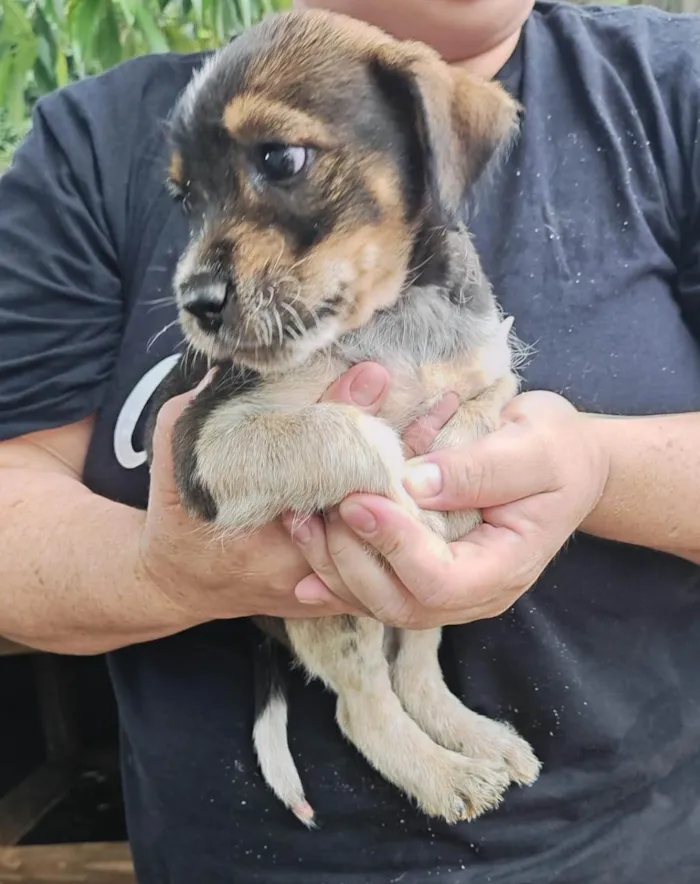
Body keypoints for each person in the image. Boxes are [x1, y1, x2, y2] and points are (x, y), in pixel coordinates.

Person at [1, 0, 699, 880]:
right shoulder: (91, 139)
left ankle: (421, 698)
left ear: (438, 151)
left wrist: (594, 471)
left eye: (282, 161)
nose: (203, 275)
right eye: (194, 198)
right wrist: (160, 571)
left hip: (640, 848)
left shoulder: (672, 87)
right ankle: (378, 712)